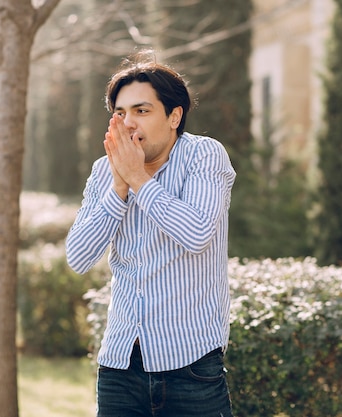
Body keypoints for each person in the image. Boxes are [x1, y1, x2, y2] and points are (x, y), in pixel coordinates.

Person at [66, 52, 236, 417]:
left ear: (174, 116)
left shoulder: (204, 156)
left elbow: (197, 233)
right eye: (122, 113)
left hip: (191, 367)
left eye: (142, 111)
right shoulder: (104, 171)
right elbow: (78, 257)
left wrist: (138, 179)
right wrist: (119, 186)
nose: (129, 123)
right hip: (120, 366)